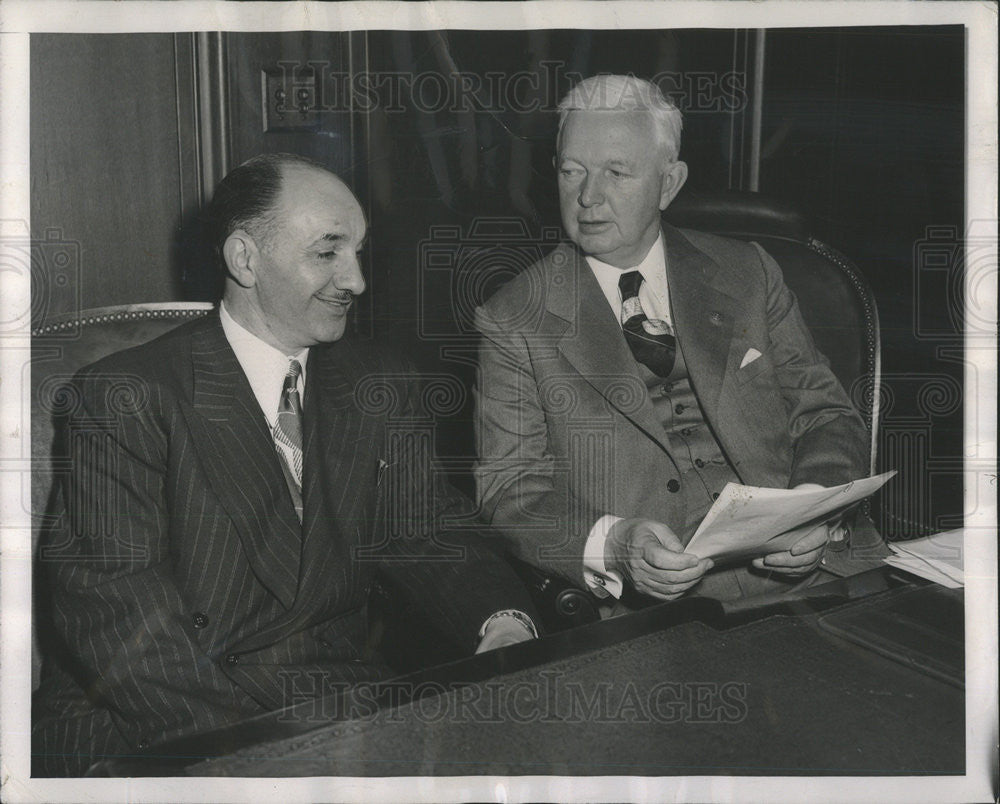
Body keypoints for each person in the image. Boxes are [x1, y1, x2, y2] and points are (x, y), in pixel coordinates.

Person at [33, 153, 537, 776]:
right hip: (158, 721)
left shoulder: (380, 382)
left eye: (357, 251)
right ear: (244, 259)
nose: (355, 280)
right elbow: (115, 610)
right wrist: (262, 763)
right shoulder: (126, 395)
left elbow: (429, 533)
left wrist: (504, 621)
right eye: (327, 253)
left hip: (337, 704)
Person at [474, 75, 887, 608]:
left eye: (616, 172)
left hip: (822, 574)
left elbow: (827, 415)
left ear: (669, 183)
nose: (588, 196)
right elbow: (510, 491)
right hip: (658, 611)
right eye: (571, 170)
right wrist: (616, 545)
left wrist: (811, 511)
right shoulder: (513, 318)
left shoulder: (749, 273)